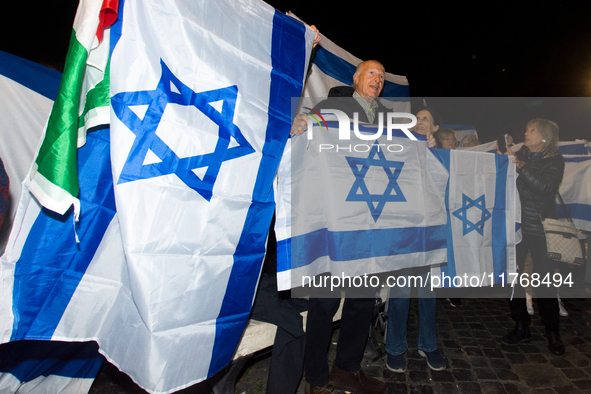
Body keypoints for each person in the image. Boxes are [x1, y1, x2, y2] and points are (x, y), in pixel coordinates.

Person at [292, 60, 390, 394]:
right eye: (371, 73)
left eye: (381, 76)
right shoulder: (335, 104)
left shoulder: (389, 117)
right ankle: (316, 378)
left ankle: (347, 368)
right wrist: (303, 122)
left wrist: (425, 147)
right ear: (357, 78)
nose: (377, 79)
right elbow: (313, 124)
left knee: (364, 300)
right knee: (325, 301)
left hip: (373, 222)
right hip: (336, 219)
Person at [385, 107, 446, 373]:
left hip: (428, 235)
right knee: (399, 292)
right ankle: (395, 347)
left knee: (427, 293)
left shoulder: (442, 155)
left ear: (435, 128)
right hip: (403, 232)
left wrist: (433, 153)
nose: (420, 122)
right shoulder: (401, 147)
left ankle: (428, 344)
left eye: (426, 119)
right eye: (417, 118)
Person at [500, 118, 566, 358]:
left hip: (541, 229)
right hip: (516, 228)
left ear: (545, 137)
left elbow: (546, 187)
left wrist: (520, 166)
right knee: (513, 279)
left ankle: (552, 331)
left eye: (532, 130)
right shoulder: (518, 155)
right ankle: (521, 325)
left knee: (545, 281)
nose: (526, 132)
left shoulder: (555, 160)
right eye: (526, 128)